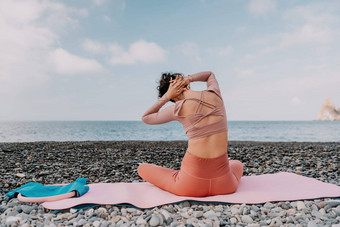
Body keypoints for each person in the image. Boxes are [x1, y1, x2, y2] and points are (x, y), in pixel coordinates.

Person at [138, 71, 243, 197]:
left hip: (189, 186)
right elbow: (209, 75)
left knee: (142, 168)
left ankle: (184, 175)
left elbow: (146, 117)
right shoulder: (215, 94)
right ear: (187, 85)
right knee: (237, 164)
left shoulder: (177, 108)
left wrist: (166, 97)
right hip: (226, 185)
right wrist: (188, 79)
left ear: (173, 96)